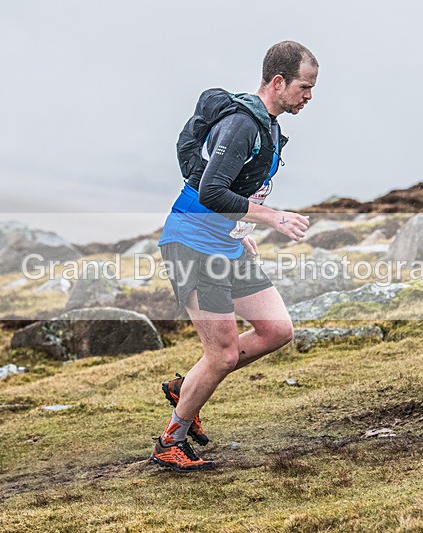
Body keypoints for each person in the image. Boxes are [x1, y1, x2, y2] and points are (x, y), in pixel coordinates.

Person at [150, 41, 319, 472]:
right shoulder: (244, 124)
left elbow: (232, 193)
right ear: (278, 81)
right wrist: (272, 218)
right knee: (222, 354)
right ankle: (171, 440)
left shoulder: (268, 127)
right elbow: (210, 190)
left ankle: (186, 386)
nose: (309, 96)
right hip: (191, 245)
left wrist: (240, 229)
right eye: (304, 87)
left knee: (277, 329)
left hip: (224, 242)